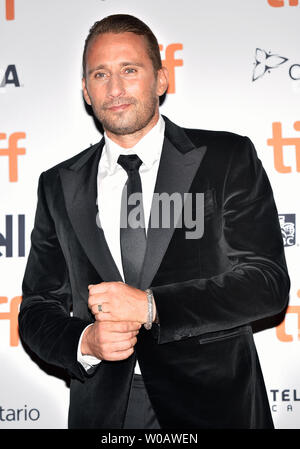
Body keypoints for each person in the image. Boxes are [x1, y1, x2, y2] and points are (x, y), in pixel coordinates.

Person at [19, 14, 290, 429]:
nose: (115, 88)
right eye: (100, 74)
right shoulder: (58, 184)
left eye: (129, 70)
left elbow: (267, 283)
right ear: (86, 93)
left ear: (161, 80)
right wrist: (85, 340)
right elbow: (37, 308)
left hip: (214, 406)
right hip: (107, 409)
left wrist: (151, 307)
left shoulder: (225, 158)